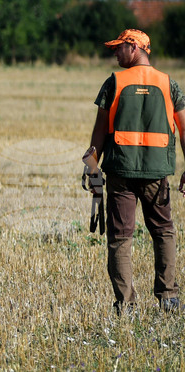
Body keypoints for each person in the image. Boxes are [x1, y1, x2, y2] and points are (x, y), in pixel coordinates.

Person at [87, 29, 185, 315]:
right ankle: (168, 298)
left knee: (120, 236)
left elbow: (99, 133)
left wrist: (92, 168)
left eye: (119, 48)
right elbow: (183, 130)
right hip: (157, 174)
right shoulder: (169, 84)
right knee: (164, 232)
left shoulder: (114, 82)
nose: (115, 53)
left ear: (133, 47)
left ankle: (125, 305)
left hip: (121, 172)